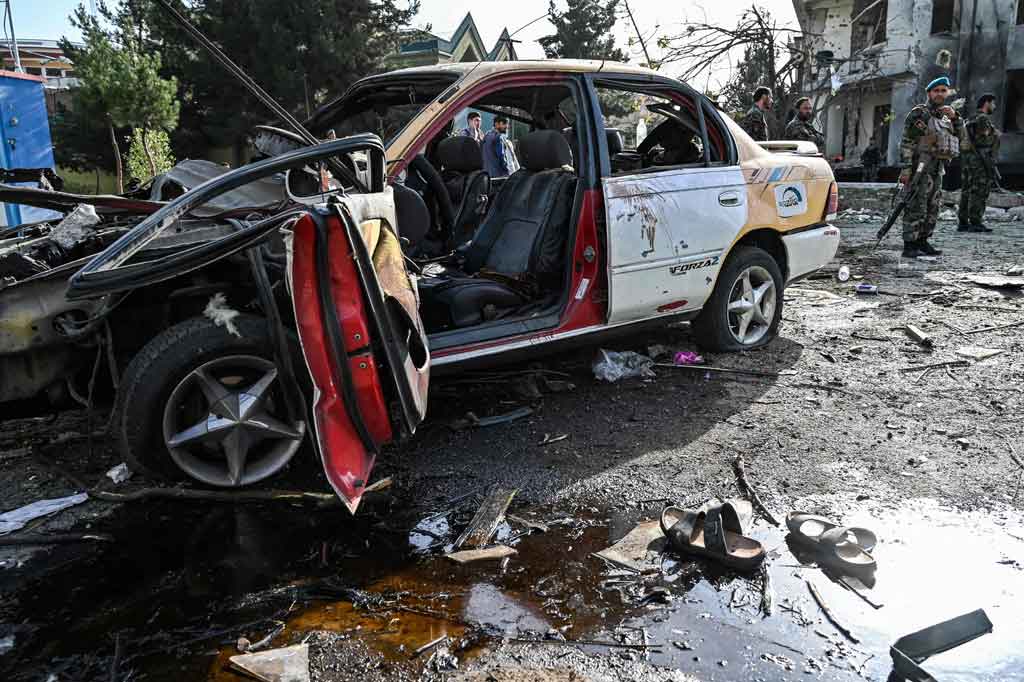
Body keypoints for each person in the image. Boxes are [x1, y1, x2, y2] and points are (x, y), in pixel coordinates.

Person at [897, 76, 964, 259]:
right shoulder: (920, 113)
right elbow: (907, 141)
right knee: (915, 204)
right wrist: (906, 168)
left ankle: (923, 241)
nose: (940, 94)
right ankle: (910, 244)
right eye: (936, 91)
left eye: (943, 90)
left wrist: (956, 118)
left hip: (937, 167)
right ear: (929, 93)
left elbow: (962, 138)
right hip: (920, 165)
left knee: (933, 205)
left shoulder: (946, 116)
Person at [957, 93, 1001, 233]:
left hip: (969, 159)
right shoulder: (982, 118)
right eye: (993, 103)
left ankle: (963, 222)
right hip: (980, 159)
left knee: (967, 189)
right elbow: (982, 140)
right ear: (987, 103)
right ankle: (975, 222)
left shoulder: (971, 117)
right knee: (979, 189)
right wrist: (995, 135)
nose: (994, 106)